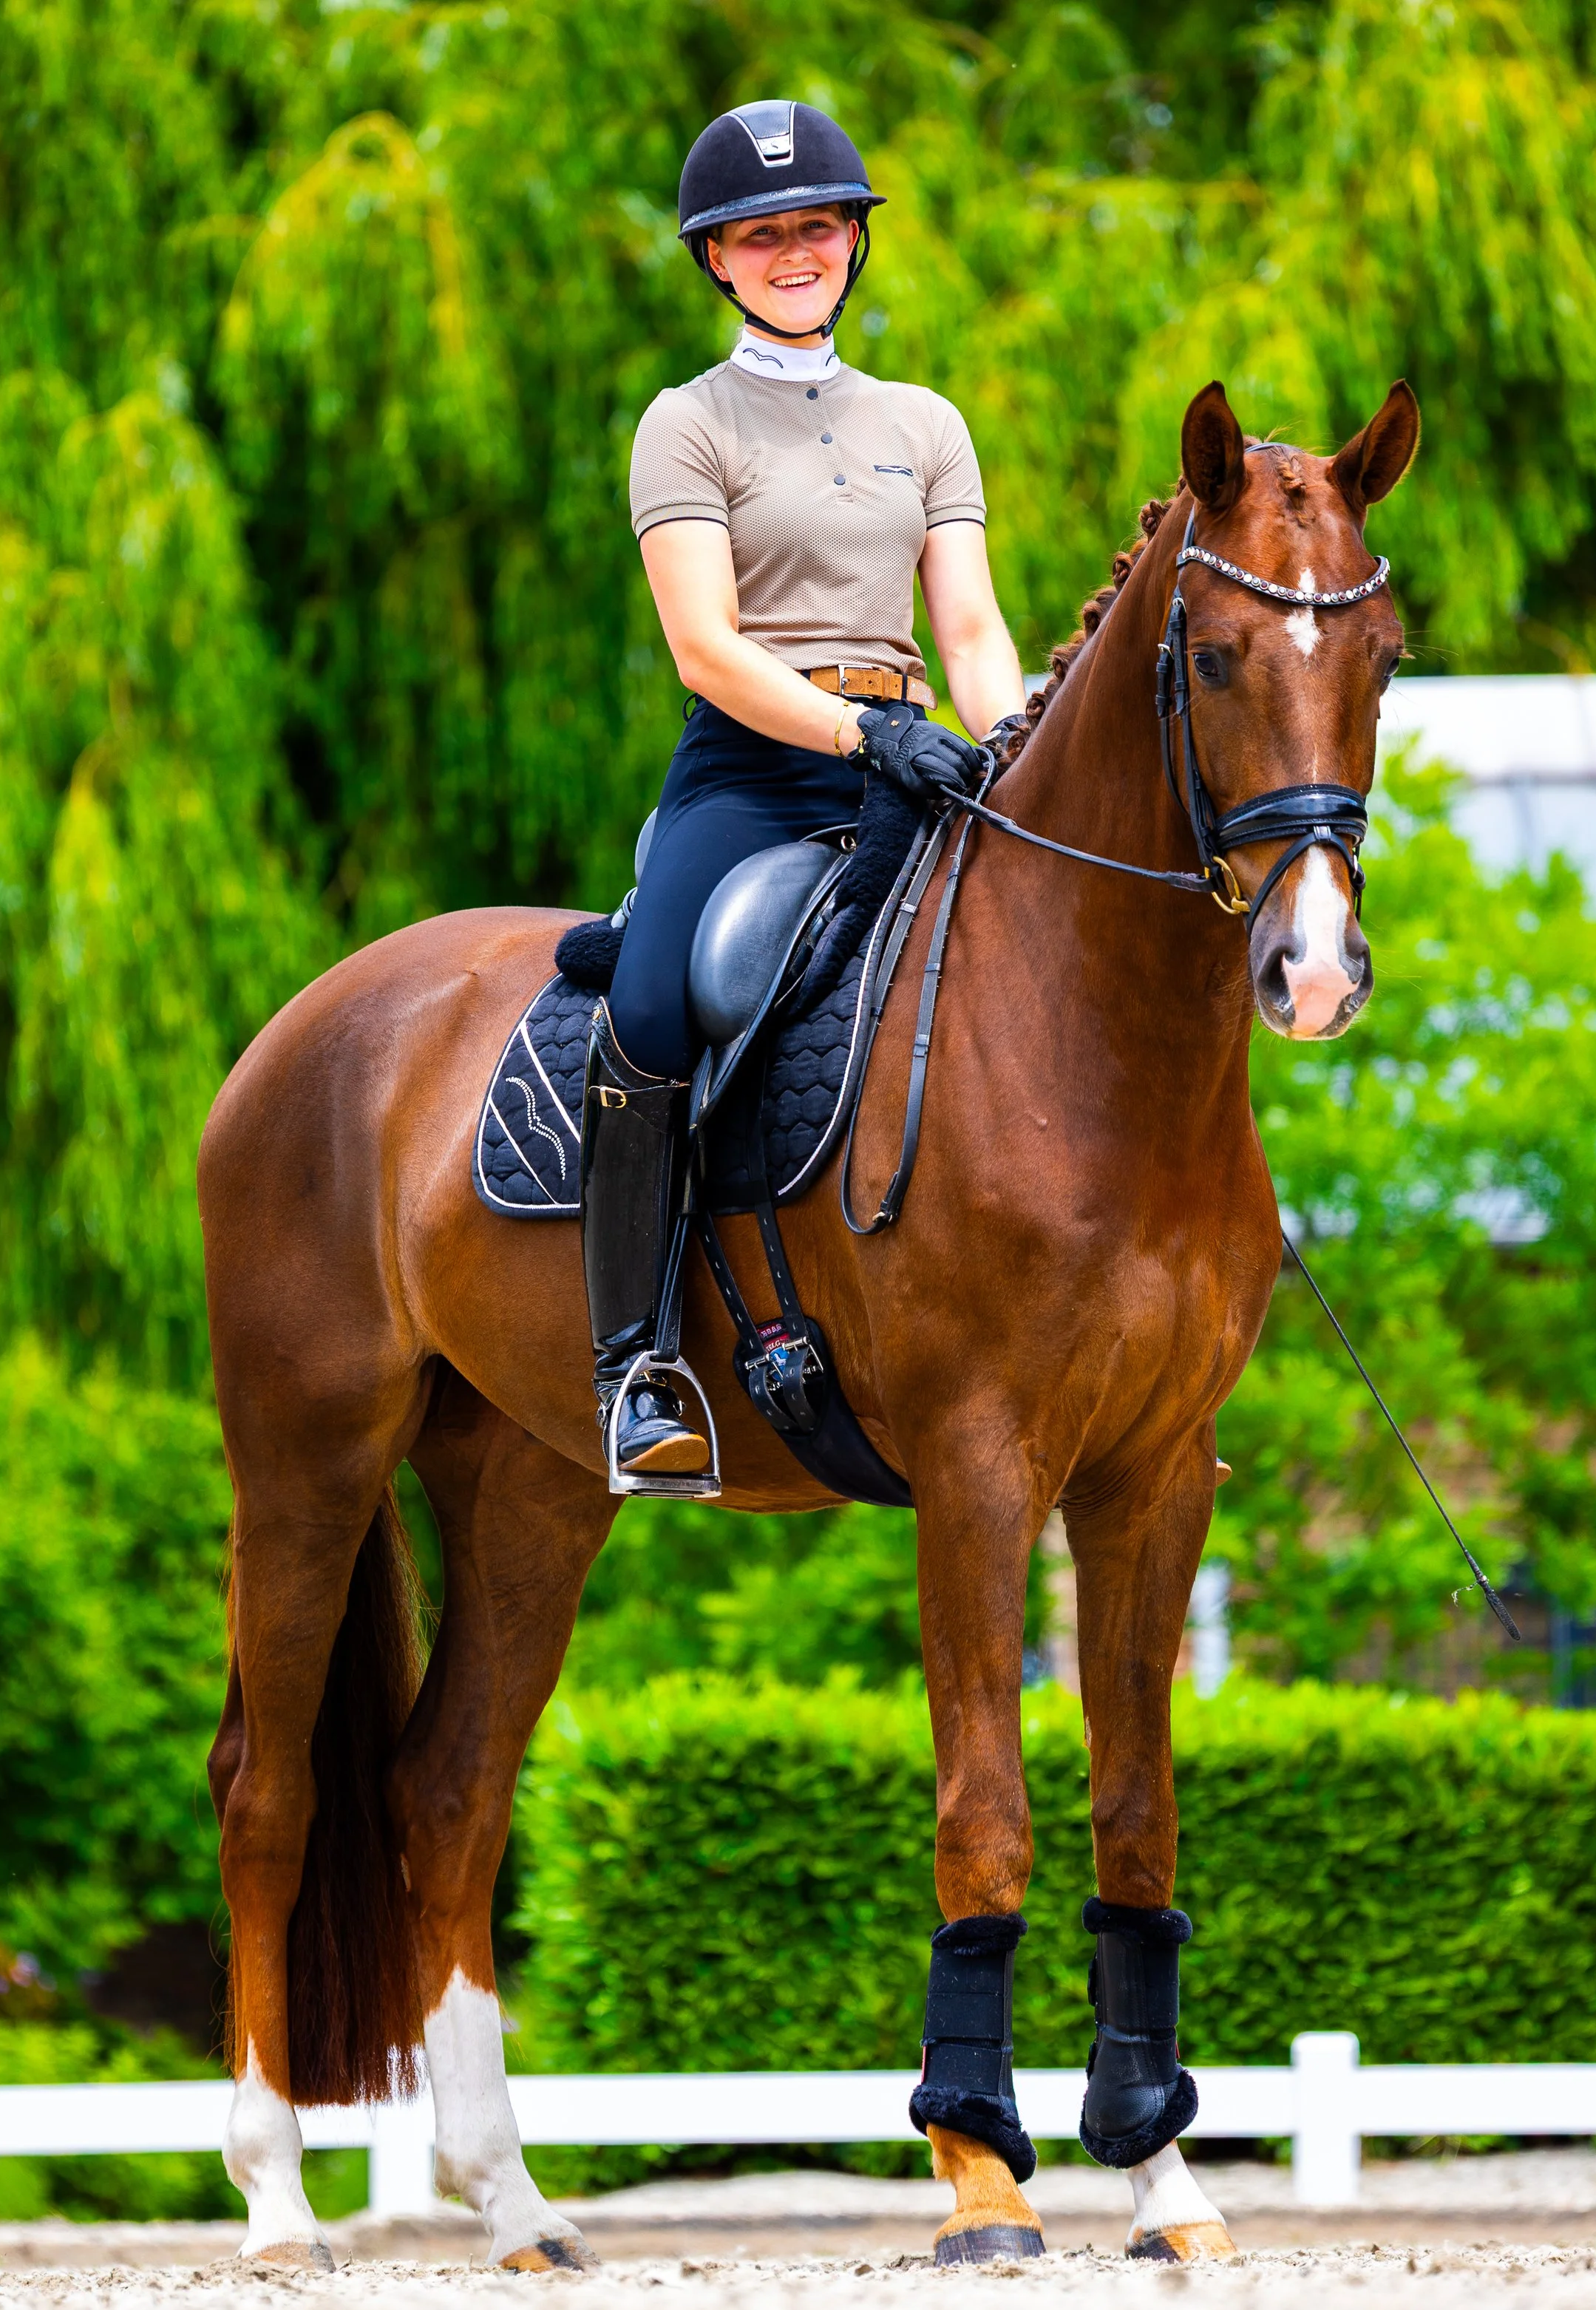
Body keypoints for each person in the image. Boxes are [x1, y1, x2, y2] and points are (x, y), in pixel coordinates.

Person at [583, 99, 1029, 1479]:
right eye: (762, 234)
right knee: (651, 1010)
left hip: (916, 762)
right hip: (755, 767)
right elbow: (705, 648)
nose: (795, 253)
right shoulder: (686, 424)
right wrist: (856, 735)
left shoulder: (924, 423)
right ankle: (637, 1365)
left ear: (853, 243)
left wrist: (1012, 745)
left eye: (819, 227)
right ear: (717, 259)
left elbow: (969, 631)